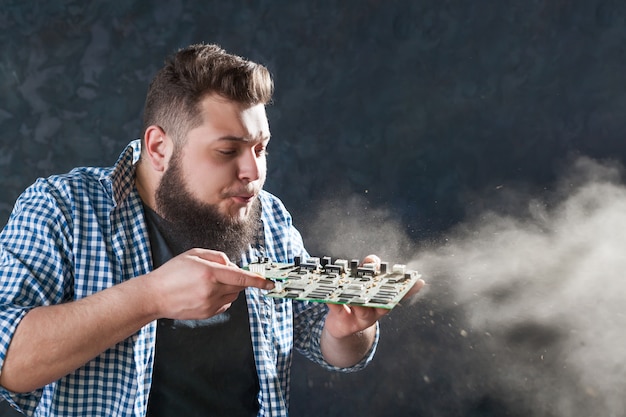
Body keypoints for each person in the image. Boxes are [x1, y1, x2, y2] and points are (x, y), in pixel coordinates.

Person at [0, 43, 423, 416]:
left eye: (261, 148)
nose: (253, 173)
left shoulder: (269, 218)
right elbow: (7, 359)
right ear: (159, 147)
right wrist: (149, 297)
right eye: (228, 151)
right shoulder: (62, 208)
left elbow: (324, 339)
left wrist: (352, 329)